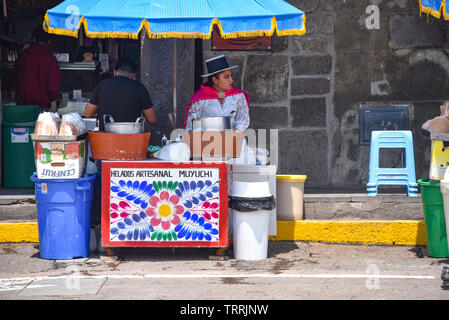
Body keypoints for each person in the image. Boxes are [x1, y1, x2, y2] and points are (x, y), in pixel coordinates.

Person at [84, 56, 157, 129]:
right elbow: (152, 119)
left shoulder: (102, 85)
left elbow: (88, 114)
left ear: (115, 72)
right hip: (132, 137)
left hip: (106, 137)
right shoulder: (139, 87)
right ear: (133, 75)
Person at [184, 54, 250, 132]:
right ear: (215, 80)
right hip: (206, 141)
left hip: (234, 140)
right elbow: (191, 124)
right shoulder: (200, 98)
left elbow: (243, 119)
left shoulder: (238, 96)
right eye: (226, 77)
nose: (231, 80)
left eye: (231, 76)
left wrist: (234, 134)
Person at [8, 25, 60, 109]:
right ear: (49, 41)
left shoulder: (23, 56)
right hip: (41, 106)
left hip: (22, 106)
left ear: (33, 39)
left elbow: (13, 78)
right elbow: (53, 89)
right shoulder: (50, 59)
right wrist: (45, 98)